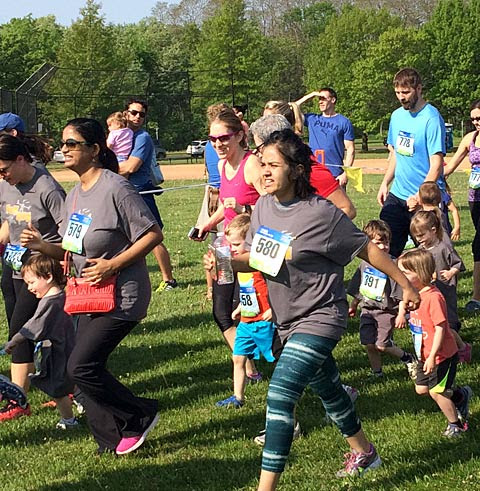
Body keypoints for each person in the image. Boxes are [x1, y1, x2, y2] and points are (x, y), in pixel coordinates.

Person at [206, 129, 420, 488]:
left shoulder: (321, 213)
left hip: (321, 316)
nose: (265, 171)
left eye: (273, 165)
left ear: (296, 170)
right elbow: (258, 259)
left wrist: (406, 284)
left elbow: (367, 249)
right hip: (287, 319)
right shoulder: (263, 208)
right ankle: (366, 453)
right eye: (262, 164)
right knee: (330, 390)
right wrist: (225, 260)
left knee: (280, 395)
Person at [20, 118, 163, 455]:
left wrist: (113, 264)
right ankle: (110, 441)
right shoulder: (74, 196)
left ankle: (140, 413)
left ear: (95, 149)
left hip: (122, 296)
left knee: (81, 366)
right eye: (63, 143)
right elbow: (71, 250)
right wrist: (42, 246)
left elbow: (152, 234)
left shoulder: (116, 188)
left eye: (72, 143)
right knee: (81, 370)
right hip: (87, 296)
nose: (64, 149)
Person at [0, 134, 65, 421]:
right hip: (16, 266)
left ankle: (18, 398)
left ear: (20, 159)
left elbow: (70, 239)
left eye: (4, 169)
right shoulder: (5, 184)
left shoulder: (47, 187)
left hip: (42, 268)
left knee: (20, 330)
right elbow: (9, 220)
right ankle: (63, 385)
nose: (2, 176)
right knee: (31, 331)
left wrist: (42, 246)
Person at [198, 109, 264, 382]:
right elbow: (226, 206)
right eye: (213, 139)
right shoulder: (223, 165)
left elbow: (272, 208)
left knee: (250, 310)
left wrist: (243, 209)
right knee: (221, 312)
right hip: (225, 249)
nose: (218, 144)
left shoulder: (252, 165)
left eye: (223, 138)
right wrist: (206, 225)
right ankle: (248, 368)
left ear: (239, 136)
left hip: (250, 251)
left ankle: (273, 362)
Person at [398, 249, 472, 438]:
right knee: (421, 389)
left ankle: (456, 425)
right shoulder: (413, 292)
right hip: (423, 353)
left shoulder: (433, 298)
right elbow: (403, 302)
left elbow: (441, 329)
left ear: (421, 273)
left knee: (437, 392)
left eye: (405, 273)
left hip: (441, 355)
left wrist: (432, 356)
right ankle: (460, 395)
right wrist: (401, 313)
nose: (400, 277)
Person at [377, 68, 446, 258]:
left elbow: (436, 164)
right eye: (398, 92)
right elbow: (397, 155)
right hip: (398, 195)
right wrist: (385, 183)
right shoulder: (396, 116)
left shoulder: (431, 118)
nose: (401, 97)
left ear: (419, 89)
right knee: (385, 248)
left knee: (431, 256)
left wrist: (419, 196)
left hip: (424, 200)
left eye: (406, 92)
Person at [4, 254, 77, 430]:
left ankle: (69, 421)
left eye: (32, 282)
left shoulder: (49, 302)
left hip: (58, 351)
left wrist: (14, 341)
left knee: (57, 388)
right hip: (68, 347)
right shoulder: (60, 295)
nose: (29, 288)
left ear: (48, 277)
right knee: (73, 384)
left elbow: (33, 326)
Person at [216, 214, 276, 408]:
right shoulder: (240, 268)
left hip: (265, 323)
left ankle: (314, 388)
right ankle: (238, 397)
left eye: (236, 244)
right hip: (246, 323)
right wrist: (240, 308)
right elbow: (249, 291)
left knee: (281, 361)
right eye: (230, 245)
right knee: (238, 358)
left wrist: (273, 309)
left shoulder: (260, 266)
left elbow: (275, 290)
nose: (231, 249)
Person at [119, 98, 177, 292]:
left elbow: (131, 166)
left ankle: (169, 280)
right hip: (122, 191)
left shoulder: (142, 138)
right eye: (134, 113)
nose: (137, 117)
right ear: (125, 113)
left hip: (140, 191)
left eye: (142, 114)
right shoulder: (120, 135)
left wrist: (106, 170)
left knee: (152, 236)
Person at [249, 114, 356, 219]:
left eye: (259, 148)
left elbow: (347, 210)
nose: (256, 153)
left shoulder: (312, 172)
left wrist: (313, 227)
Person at [347, 220, 417, 379]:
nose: (384, 246)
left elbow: (401, 291)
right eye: (378, 243)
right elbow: (359, 286)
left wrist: (401, 314)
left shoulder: (392, 265)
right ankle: (377, 372)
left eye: (386, 242)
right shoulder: (364, 264)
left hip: (386, 311)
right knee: (369, 344)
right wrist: (354, 304)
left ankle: (407, 358)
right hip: (367, 310)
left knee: (382, 345)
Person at [409, 211, 471, 362]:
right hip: (429, 291)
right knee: (432, 323)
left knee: (446, 323)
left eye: (421, 235)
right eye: (416, 236)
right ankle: (442, 348)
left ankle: (462, 348)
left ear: (433, 230)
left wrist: (451, 272)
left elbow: (458, 264)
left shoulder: (443, 248)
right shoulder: (421, 250)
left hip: (445, 290)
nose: (419, 239)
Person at [444, 99, 480, 311]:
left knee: (478, 245)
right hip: (475, 198)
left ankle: (476, 297)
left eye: (479, 118)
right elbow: (450, 166)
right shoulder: (470, 139)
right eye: (473, 118)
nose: (476, 122)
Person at [195, 103, 229, 300]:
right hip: (223, 192)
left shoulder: (210, 143)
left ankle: (211, 288)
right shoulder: (224, 144)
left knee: (214, 241)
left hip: (211, 192)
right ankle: (220, 285)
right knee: (224, 241)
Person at [295, 87, 355, 186]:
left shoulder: (344, 122)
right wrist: (309, 96)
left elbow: (350, 149)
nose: (320, 102)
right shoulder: (311, 119)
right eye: (319, 99)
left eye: (323, 98)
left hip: (335, 175)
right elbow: (292, 108)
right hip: (313, 173)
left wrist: (346, 174)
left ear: (333, 100)